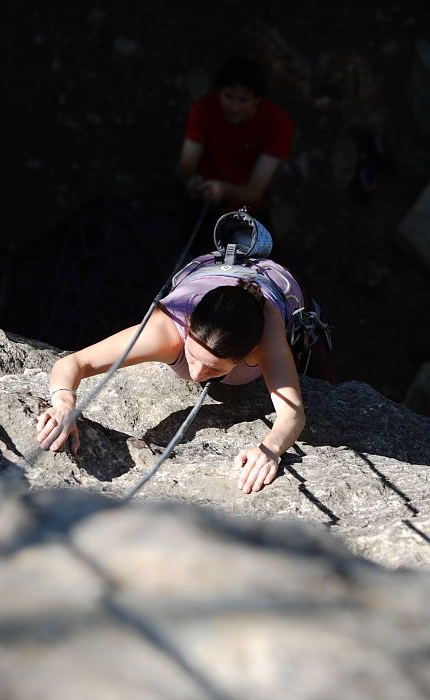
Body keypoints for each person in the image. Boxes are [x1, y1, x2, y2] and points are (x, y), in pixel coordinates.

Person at [37, 213, 333, 495]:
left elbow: (292, 414)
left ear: (251, 352)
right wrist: (64, 404)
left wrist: (269, 450)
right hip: (208, 274)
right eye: (192, 357)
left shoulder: (267, 334)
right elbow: (74, 362)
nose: (195, 375)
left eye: (214, 370)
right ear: (188, 328)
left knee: (319, 370)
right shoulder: (166, 330)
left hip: (279, 284)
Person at [177, 55, 295, 212]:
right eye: (228, 97)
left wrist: (224, 190)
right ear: (219, 92)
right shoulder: (204, 109)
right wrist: (190, 182)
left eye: (242, 100)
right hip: (202, 199)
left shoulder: (278, 124)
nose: (233, 108)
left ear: (257, 99)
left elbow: (255, 190)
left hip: (245, 209)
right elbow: (186, 166)